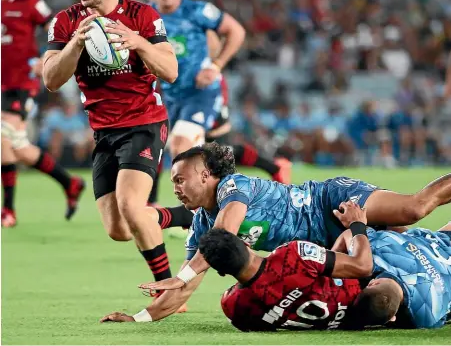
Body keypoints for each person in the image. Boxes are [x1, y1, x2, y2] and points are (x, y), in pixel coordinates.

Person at [101, 141, 451, 323]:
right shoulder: (201, 228)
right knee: (408, 243)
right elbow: (184, 291)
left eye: (180, 179)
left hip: (330, 202)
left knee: (413, 210)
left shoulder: (233, 186)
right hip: (328, 242)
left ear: (206, 175)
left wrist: (183, 275)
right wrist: (139, 318)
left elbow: (228, 229)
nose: (175, 188)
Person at [42, 0, 179, 290]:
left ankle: (169, 289)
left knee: (133, 207)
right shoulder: (66, 20)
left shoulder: (142, 15)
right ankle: (190, 216)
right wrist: (76, 44)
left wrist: (137, 42)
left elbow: (171, 70)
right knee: (118, 230)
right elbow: (51, 80)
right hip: (104, 132)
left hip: (144, 123)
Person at [100, 200, 370, 325]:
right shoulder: (293, 254)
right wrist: (357, 225)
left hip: (352, 319)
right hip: (364, 298)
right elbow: (362, 266)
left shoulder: (234, 305)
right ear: (247, 242)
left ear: (219, 271)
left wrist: (136, 319)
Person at [144, 0, 245, 207]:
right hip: (166, 94)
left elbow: (235, 31)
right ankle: (156, 205)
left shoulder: (198, 11)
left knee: (180, 144)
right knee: (156, 145)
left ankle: (189, 211)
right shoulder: (145, 16)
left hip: (200, 93)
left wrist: (216, 65)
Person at [1, 0, 85, 227]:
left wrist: (46, 58)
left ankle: (8, 210)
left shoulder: (31, 4)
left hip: (19, 83)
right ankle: (69, 182)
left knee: (2, 135)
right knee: (18, 146)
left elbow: (55, 28)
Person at [335, 221, 451, 329]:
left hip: (440, 253)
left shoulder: (427, 318)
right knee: (384, 220)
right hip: (438, 242)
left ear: (392, 318)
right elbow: (352, 233)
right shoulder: (374, 255)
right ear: (372, 283)